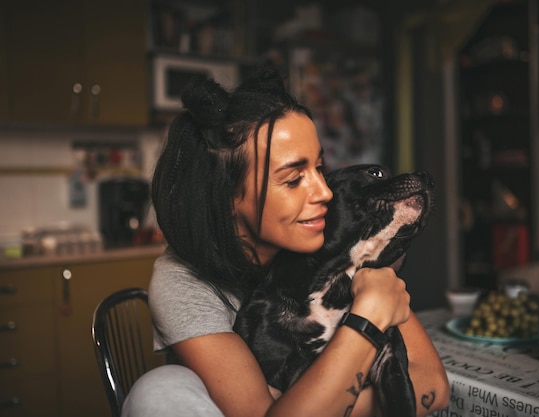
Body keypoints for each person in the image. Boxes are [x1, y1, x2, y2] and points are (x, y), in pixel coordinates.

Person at [122, 65, 449, 417]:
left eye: (319, 169)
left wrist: (306, 403)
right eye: (294, 180)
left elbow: (432, 385)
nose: (324, 192)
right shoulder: (183, 285)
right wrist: (367, 318)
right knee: (156, 386)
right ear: (227, 198)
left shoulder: (322, 239)